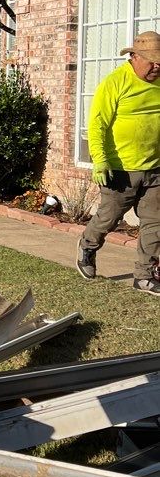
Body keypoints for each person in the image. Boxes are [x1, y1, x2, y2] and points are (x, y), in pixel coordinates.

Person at [76, 31, 160, 294]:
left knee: (155, 223)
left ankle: (145, 275)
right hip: (120, 169)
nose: (156, 66)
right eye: (151, 61)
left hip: (154, 167)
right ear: (134, 57)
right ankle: (87, 246)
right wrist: (100, 161)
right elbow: (97, 124)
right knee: (109, 218)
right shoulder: (115, 82)